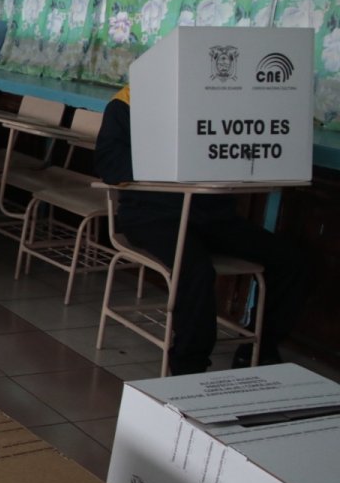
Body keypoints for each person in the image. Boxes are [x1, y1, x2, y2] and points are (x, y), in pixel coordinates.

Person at [95, 85, 307, 375]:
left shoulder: (220, 99)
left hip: (214, 217)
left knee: (291, 261)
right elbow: (110, 164)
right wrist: (175, 157)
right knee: (195, 269)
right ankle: (188, 365)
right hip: (151, 216)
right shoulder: (127, 101)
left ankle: (258, 348)